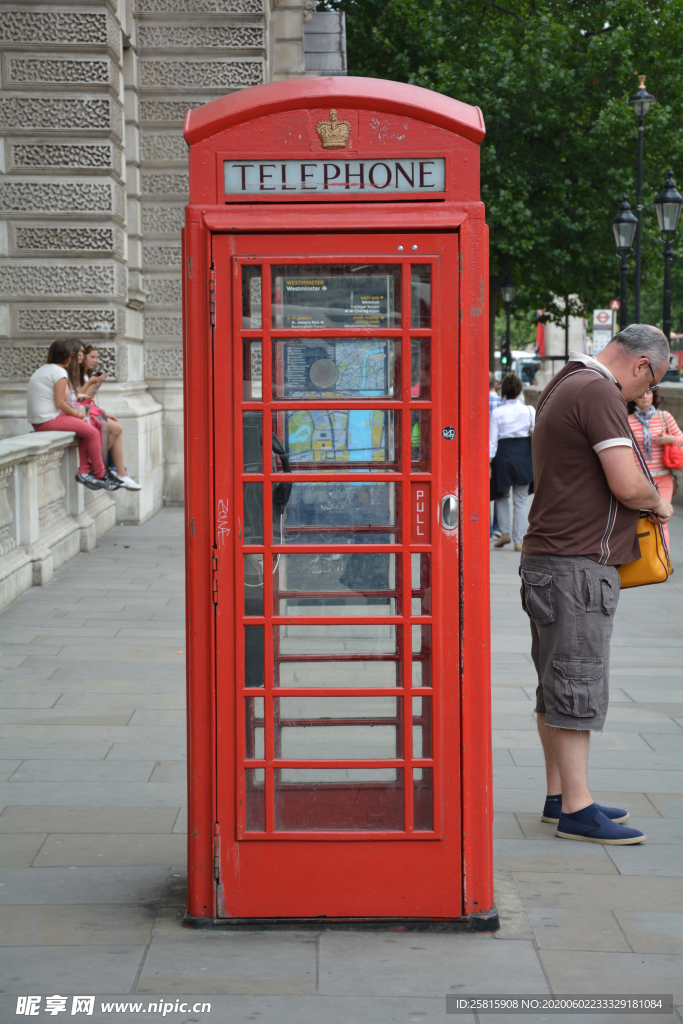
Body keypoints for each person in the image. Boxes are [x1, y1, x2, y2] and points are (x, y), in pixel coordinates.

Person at [521, 324, 674, 846]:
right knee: (576, 681)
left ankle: (559, 795)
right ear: (642, 365)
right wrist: (659, 503)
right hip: (576, 564)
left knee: (554, 684)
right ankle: (578, 811)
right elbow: (627, 484)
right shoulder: (598, 391)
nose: (645, 393)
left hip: (551, 558)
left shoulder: (566, 381)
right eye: (651, 382)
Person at [27, 338, 120, 492]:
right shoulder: (59, 372)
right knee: (92, 433)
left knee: (85, 429)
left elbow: (66, 398)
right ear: (66, 355)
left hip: (40, 420)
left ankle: (85, 471)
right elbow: (60, 403)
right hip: (48, 419)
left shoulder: (45, 369)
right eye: (73, 355)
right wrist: (76, 414)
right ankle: (100, 474)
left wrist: (83, 397)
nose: (75, 358)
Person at [78, 345, 141, 491]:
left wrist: (97, 384)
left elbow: (88, 397)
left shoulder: (87, 375)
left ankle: (119, 472)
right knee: (115, 428)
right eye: (92, 357)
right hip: (81, 413)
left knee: (117, 427)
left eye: (96, 357)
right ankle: (105, 467)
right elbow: (80, 399)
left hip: (88, 410)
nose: (95, 361)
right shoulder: (76, 375)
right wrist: (93, 383)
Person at [628, 388, 682, 548]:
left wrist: (670, 439)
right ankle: (645, 559)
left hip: (663, 479)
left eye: (648, 393)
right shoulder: (627, 420)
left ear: (653, 396)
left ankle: (663, 559)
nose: (644, 396)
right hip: (640, 481)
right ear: (634, 399)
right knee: (640, 522)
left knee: (662, 521)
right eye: (640, 394)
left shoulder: (664, 417)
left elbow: (681, 438)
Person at [490, 373, 535, 551]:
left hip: (503, 455)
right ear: (520, 391)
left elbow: (492, 441)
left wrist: (488, 462)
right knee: (520, 500)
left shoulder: (497, 413)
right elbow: (537, 433)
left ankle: (505, 532)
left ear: (503, 391)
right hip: (523, 455)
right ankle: (519, 540)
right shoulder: (529, 410)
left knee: (502, 496)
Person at [489, 372, 502, 538]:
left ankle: (487, 529)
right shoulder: (502, 402)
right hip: (499, 449)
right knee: (499, 489)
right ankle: (498, 525)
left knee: (484, 490)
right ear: (496, 384)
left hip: (479, 449)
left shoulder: (474, 402)